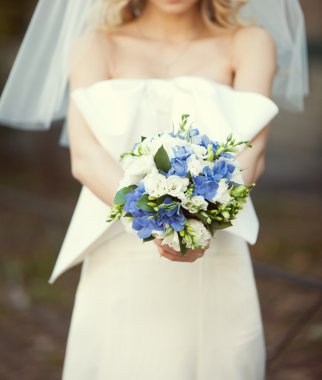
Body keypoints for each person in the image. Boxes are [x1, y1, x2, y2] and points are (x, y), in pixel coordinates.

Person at [0, 0, 309, 379]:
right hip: (121, 243)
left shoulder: (249, 43)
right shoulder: (94, 45)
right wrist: (158, 221)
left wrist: (199, 224)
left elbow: (252, 152)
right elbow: (85, 156)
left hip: (215, 245)